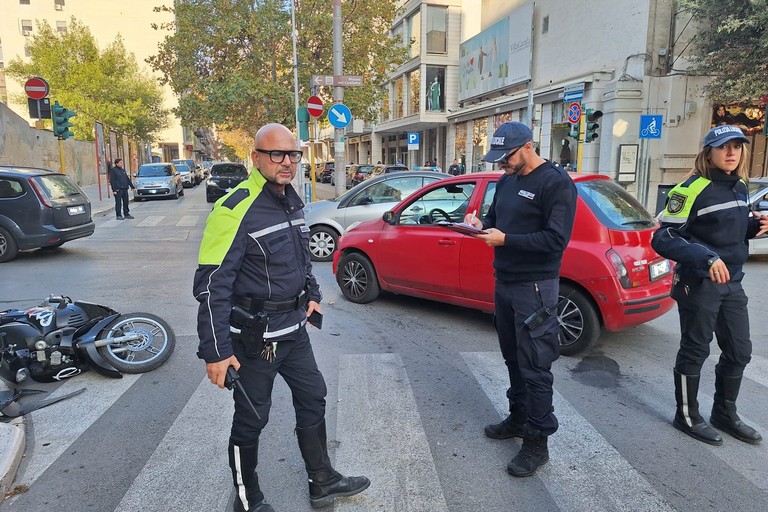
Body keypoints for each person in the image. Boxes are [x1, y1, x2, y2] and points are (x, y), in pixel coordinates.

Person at [193, 123, 370, 512]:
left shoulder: (292, 199)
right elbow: (211, 286)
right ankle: (247, 499)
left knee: (313, 397)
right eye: (276, 154)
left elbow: (300, 257)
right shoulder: (234, 209)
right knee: (252, 419)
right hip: (256, 339)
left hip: (294, 330)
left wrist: (313, 295)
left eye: (293, 154)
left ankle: (321, 481)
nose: (286, 162)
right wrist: (216, 351)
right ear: (256, 157)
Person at [463, 122, 577, 477]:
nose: (501, 165)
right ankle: (518, 418)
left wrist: (506, 241)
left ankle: (536, 442)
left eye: (506, 157)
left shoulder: (556, 183)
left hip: (536, 289)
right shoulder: (507, 180)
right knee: (513, 358)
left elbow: (556, 240)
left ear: (528, 146)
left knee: (535, 367)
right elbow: (497, 219)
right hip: (506, 283)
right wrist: (480, 224)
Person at [652, 125, 768, 446]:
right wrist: (705, 258)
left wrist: (755, 225)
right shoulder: (691, 189)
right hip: (699, 283)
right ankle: (687, 416)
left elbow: (727, 229)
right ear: (708, 152)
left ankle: (724, 414)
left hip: (732, 282)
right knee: (696, 350)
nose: (732, 152)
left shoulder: (741, 186)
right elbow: (664, 236)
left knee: (740, 351)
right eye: (724, 147)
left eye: (737, 146)